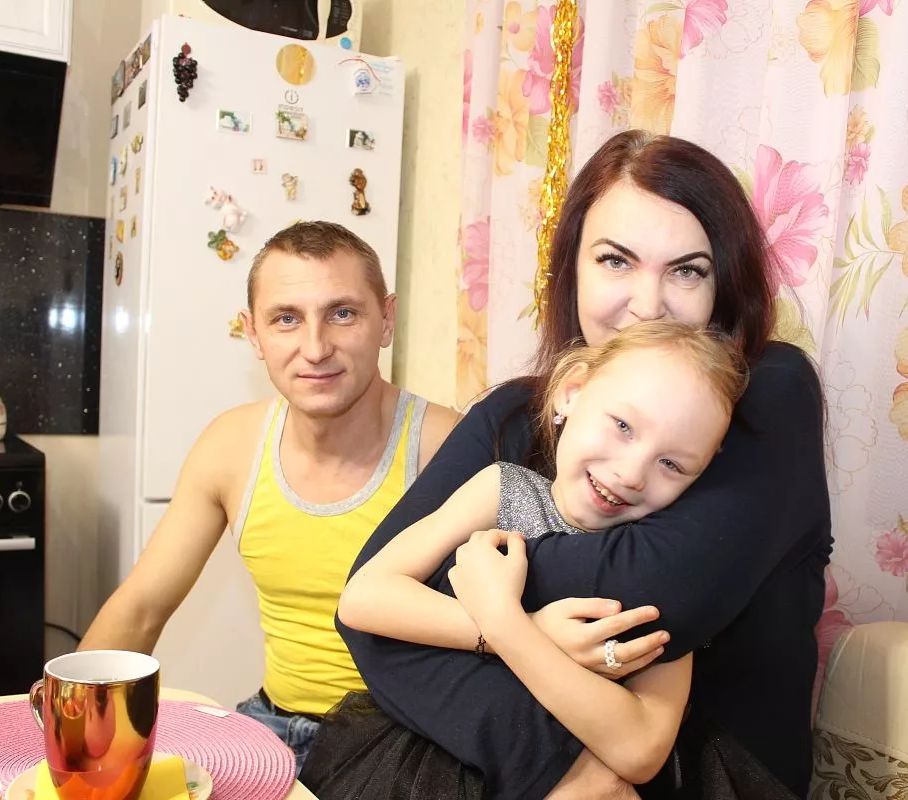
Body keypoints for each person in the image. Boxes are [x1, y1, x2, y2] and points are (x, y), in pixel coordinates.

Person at [325, 131, 831, 799]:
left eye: (687, 270)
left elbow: (654, 595)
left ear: (726, 284)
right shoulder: (512, 415)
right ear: (572, 269)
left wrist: (472, 587)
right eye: (616, 260)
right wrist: (563, 767)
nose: (648, 304)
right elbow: (366, 615)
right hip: (512, 763)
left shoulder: (765, 393)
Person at [78, 221, 460, 775]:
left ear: (386, 320)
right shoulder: (230, 446)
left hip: (404, 744)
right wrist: (70, 730)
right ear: (253, 334)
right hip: (271, 728)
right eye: (286, 319)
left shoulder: (449, 450)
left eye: (342, 313)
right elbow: (139, 609)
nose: (315, 348)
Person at [307, 322, 749, 797]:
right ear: (572, 392)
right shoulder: (502, 491)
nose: (631, 473)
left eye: (672, 464)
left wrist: (509, 626)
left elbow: (640, 750)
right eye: (623, 426)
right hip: (434, 759)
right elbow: (363, 598)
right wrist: (535, 628)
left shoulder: (659, 567)